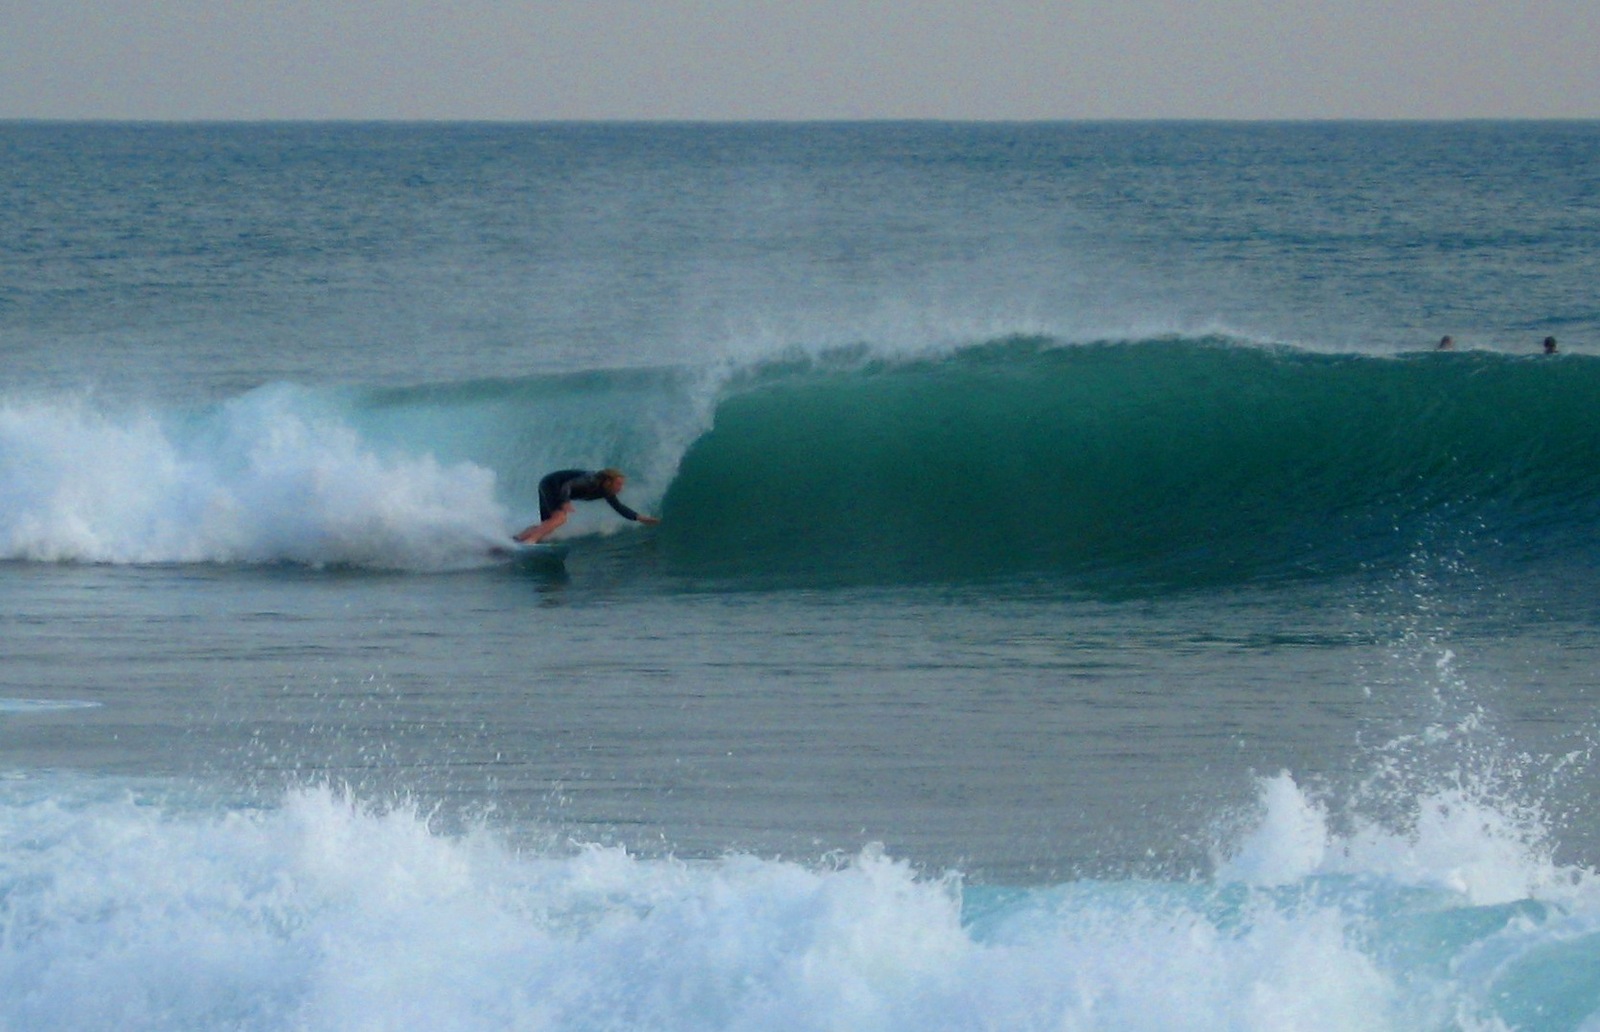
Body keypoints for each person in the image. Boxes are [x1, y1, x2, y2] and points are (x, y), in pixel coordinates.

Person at [513, 468, 660, 544]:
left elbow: (619, 507)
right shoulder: (591, 480)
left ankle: (518, 538)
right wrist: (565, 502)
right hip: (552, 484)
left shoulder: (606, 491)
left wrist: (640, 518)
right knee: (560, 518)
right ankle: (530, 541)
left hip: (549, 484)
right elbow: (567, 485)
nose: (621, 488)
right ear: (608, 481)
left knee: (547, 525)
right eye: (618, 484)